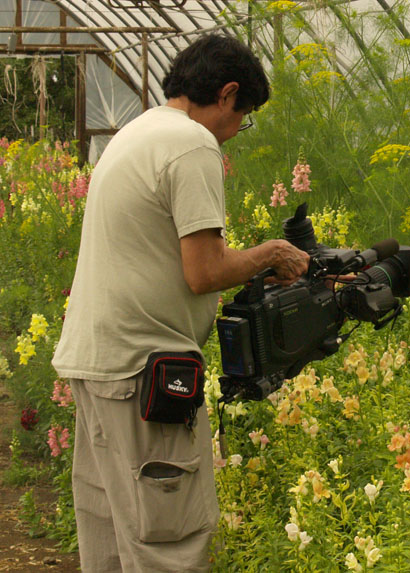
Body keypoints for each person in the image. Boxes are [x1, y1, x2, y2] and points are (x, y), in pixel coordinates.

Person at [52, 35, 309, 572]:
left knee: (114, 539)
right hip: (142, 376)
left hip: (98, 365)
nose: (238, 131)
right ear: (227, 93)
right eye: (245, 116)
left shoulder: (136, 133)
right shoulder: (191, 144)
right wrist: (271, 254)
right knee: (169, 543)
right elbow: (206, 272)